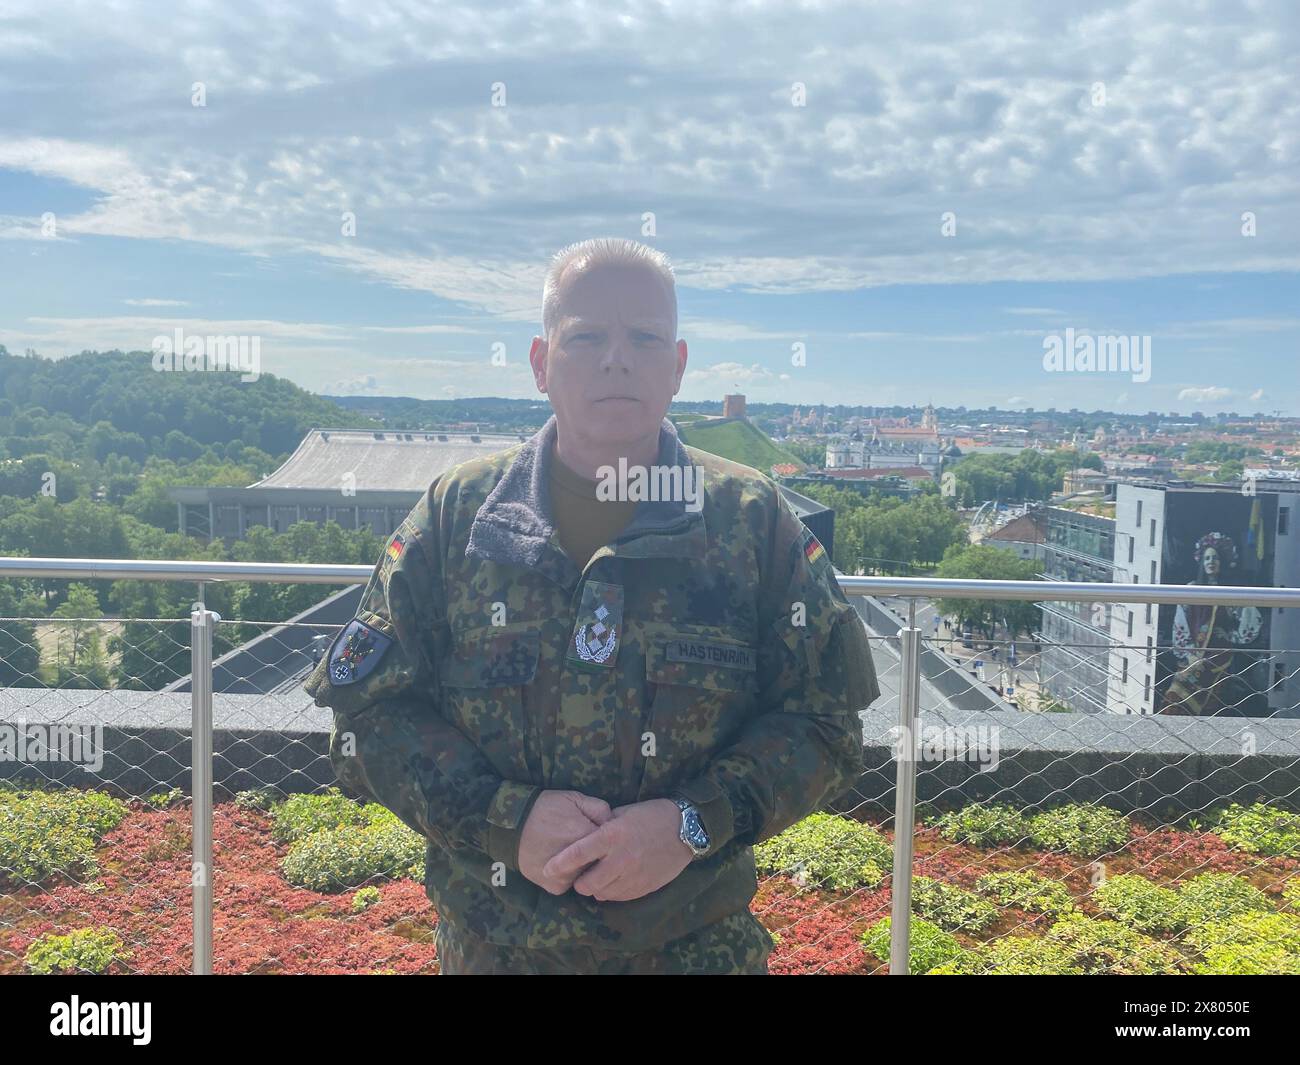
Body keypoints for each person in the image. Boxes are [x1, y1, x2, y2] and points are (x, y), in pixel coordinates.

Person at [304, 237, 881, 974]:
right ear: (542, 362)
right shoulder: (457, 519)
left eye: (644, 337)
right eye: (586, 337)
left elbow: (826, 727)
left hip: (694, 951)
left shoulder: (750, 522)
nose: (617, 358)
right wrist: (502, 820)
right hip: (493, 954)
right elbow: (365, 723)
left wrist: (690, 826)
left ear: (676, 368)